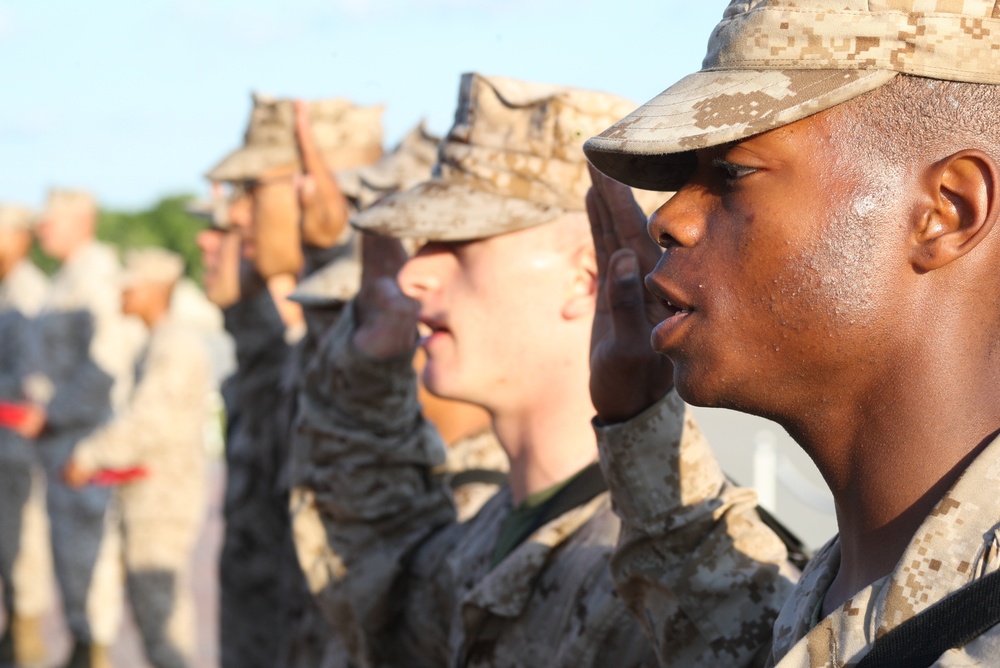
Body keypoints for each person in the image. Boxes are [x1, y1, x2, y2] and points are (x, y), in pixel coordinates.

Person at [292, 72, 794, 668]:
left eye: (463, 241)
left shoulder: (675, 583)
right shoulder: (489, 536)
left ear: (588, 278)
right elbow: (377, 601)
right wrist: (369, 372)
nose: (413, 275)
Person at [583, 0, 1000, 665]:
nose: (669, 220)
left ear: (946, 211)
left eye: (732, 173)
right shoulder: (833, 598)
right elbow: (728, 626)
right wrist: (635, 414)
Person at [205, 92, 384, 668]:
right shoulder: (310, 336)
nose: (232, 216)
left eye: (252, 190)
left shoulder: (389, 327)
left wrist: (332, 246)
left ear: (316, 183)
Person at [63, 248, 209, 668]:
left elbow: (146, 424)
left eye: (129, 287)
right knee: (153, 616)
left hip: (163, 501)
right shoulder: (159, 342)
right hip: (150, 494)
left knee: (162, 619)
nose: (120, 295)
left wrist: (88, 455)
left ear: (153, 291)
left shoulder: (175, 346)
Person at [27, 189, 143, 668]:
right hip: (63, 440)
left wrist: (54, 413)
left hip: (85, 438)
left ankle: (94, 653)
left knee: (89, 562)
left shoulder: (94, 278)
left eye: (53, 219)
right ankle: (82, 646)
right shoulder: (67, 278)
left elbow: (105, 365)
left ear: (85, 221)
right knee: (70, 561)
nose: (43, 228)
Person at [0, 204, 52, 667]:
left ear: (18, 238)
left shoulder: (28, 294)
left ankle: (26, 643)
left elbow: (35, 383)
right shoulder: (7, 291)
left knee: (23, 546)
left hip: (18, 445)